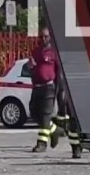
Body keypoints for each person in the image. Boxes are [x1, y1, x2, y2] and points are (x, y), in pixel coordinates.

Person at [29, 27, 82, 157]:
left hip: (59, 88)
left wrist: (61, 93)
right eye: (41, 36)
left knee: (67, 120)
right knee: (36, 113)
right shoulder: (36, 51)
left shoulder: (57, 52)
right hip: (38, 87)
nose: (43, 39)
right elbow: (33, 69)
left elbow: (60, 72)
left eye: (46, 36)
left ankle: (74, 147)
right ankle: (55, 130)